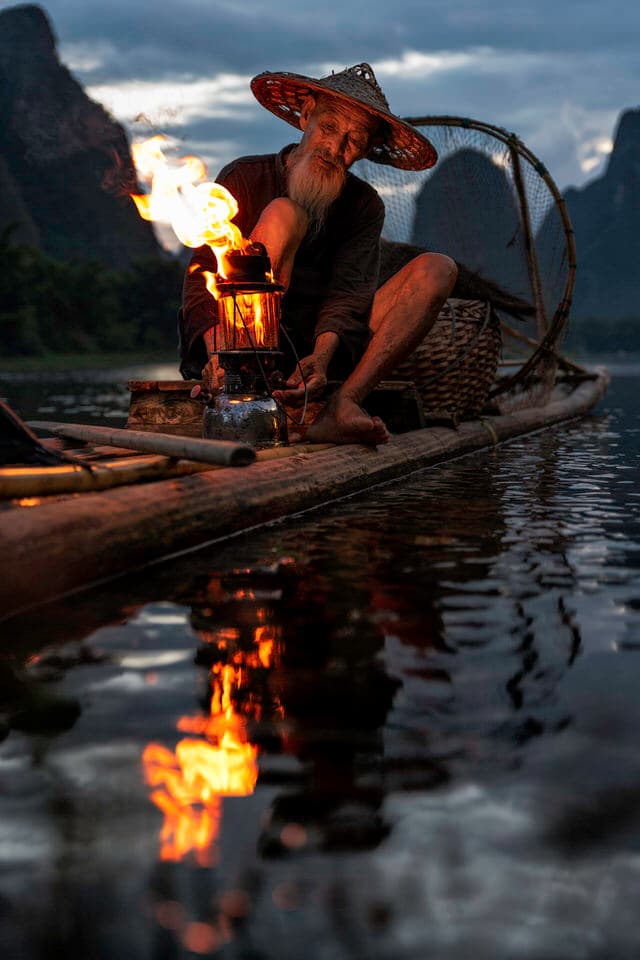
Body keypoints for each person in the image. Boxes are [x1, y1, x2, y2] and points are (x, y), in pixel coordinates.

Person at [180, 62, 457, 445]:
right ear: (307, 115)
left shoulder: (364, 206)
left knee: (437, 270)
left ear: (367, 149)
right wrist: (217, 354)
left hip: (320, 352)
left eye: (353, 140)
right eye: (328, 128)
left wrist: (323, 357)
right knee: (283, 213)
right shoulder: (243, 179)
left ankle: (343, 405)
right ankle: (243, 376)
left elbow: (349, 296)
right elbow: (201, 283)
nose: (335, 148)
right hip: (237, 351)